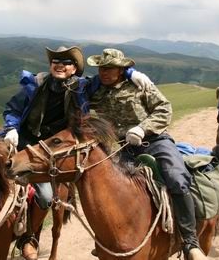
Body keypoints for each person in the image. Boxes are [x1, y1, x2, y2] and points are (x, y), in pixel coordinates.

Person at [2, 46, 152, 260]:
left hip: (56, 150)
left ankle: (29, 238)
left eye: (67, 62)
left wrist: (130, 72)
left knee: (45, 195)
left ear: (75, 69)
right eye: (56, 61)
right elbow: (13, 109)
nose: (60, 65)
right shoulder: (35, 85)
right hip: (27, 140)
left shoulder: (81, 87)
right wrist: (10, 129)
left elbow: (106, 76)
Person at [86, 48, 207, 260]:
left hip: (155, 141)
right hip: (124, 147)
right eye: (101, 68)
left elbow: (164, 108)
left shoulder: (140, 85)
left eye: (109, 68)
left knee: (177, 178)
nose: (103, 72)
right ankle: (111, 241)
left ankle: (190, 242)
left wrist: (143, 128)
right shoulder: (95, 91)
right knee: (112, 190)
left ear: (121, 70)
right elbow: (73, 85)